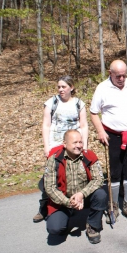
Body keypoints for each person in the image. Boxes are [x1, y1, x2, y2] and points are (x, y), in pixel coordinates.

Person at [90, 59, 127, 223]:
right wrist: (100, 131)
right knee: (115, 171)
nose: (121, 79)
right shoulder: (102, 88)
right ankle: (113, 204)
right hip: (113, 136)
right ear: (110, 74)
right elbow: (93, 113)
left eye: (124, 75)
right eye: (118, 76)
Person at [33, 75, 89, 223]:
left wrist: (85, 145)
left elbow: (83, 126)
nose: (61, 89)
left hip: (75, 144)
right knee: (50, 178)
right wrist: (46, 146)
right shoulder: (52, 102)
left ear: (72, 88)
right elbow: (46, 125)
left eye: (64, 87)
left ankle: (76, 203)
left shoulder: (79, 104)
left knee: (75, 175)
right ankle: (44, 207)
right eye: (59, 87)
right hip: (56, 144)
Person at [44, 130, 106, 244]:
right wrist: (69, 202)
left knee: (101, 195)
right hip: (63, 200)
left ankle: (92, 225)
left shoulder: (89, 155)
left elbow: (99, 179)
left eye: (80, 142)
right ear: (65, 143)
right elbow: (50, 187)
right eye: (74, 142)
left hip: (85, 197)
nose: (78, 145)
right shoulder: (54, 159)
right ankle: (66, 216)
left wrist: (81, 194)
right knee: (55, 228)